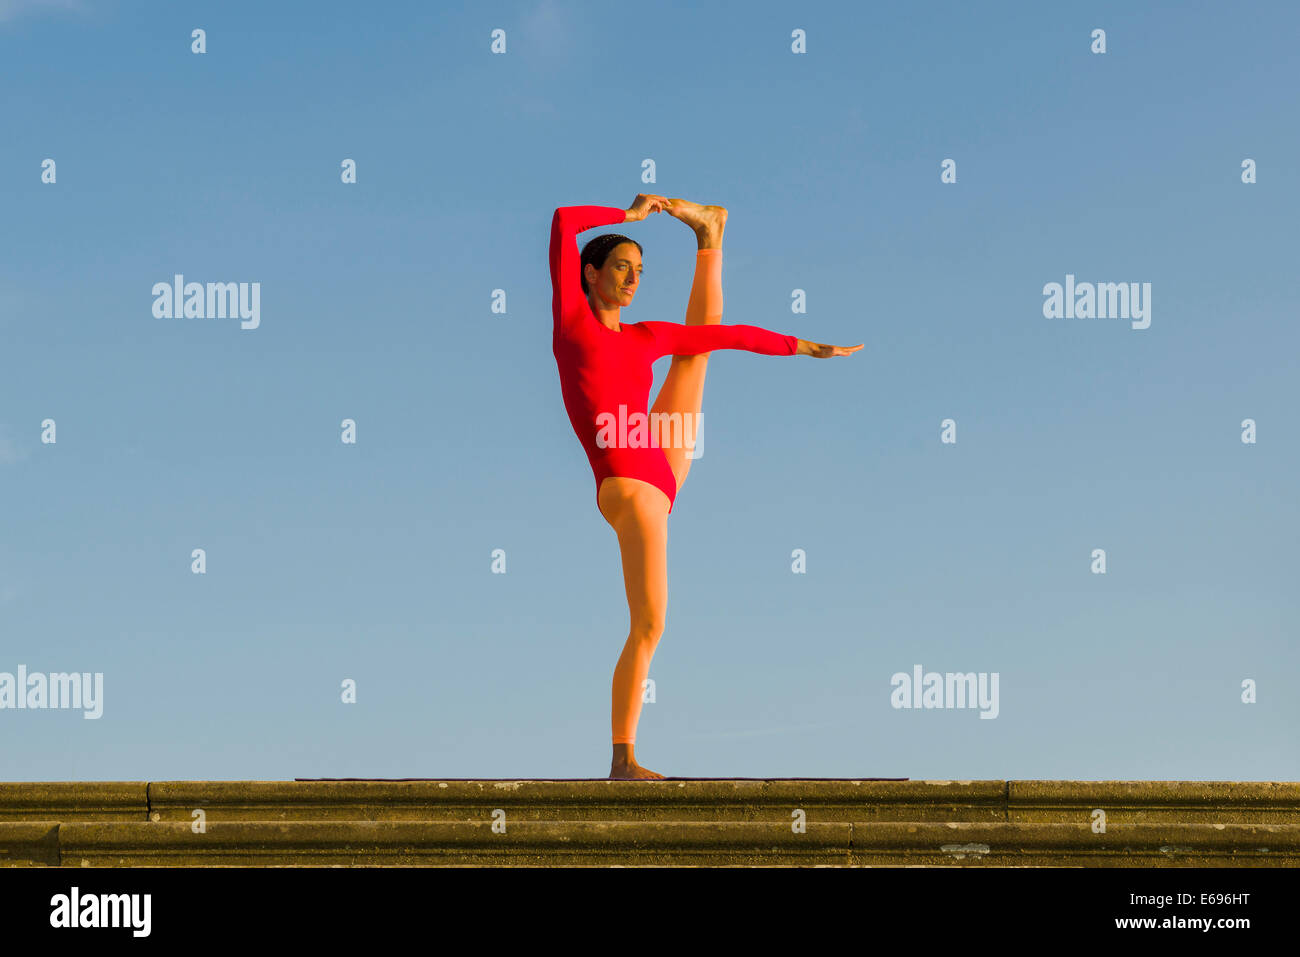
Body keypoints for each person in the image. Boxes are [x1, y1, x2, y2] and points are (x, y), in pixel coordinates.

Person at [548, 193, 862, 779]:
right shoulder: (573, 324)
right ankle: (624, 758)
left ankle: (710, 235)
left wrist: (806, 346)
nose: (633, 278)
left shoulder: (645, 336)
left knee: (697, 352)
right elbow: (565, 223)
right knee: (649, 623)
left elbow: (731, 335)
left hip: (658, 464)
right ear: (589, 273)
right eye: (622, 266)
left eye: (640, 271)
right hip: (633, 483)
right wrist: (631, 216)